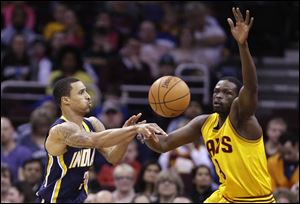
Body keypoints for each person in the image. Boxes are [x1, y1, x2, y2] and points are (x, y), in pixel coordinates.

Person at [143, 8, 276, 203]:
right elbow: (164, 144)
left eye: (227, 92)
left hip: (255, 199)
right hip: (227, 195)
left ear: (237, 97)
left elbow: (251, 87)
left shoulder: (242, 118)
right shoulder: (204, 123)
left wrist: (243, 46)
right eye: (216, 91)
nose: (219, 96)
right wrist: (144, 134)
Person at [36, 77, 163, 203]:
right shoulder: (60, 129)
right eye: (81, 92)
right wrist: (134, 129)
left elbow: (114, 158)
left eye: (86, 91)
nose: (88, 96)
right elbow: (96, 140)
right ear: (66, 100)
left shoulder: (93, 123)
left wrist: (126, 136)